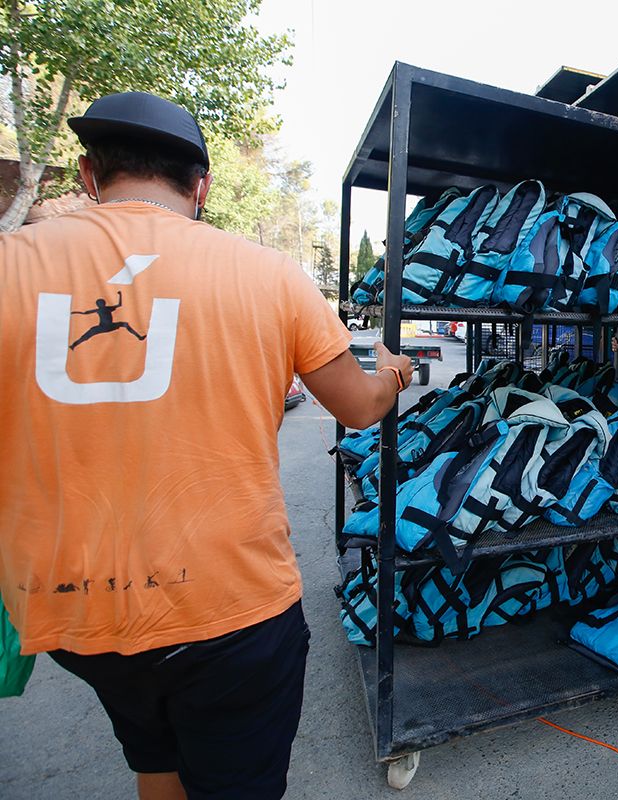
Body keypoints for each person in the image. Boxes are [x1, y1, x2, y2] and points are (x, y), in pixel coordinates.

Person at [0, 91, 413, 799]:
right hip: (231, 611)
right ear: (202, 186)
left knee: (154, 761)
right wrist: (395, 373)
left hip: (70, 611)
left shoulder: (11, 262)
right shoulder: (270, 275)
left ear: (89, 175)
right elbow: (358, 405)